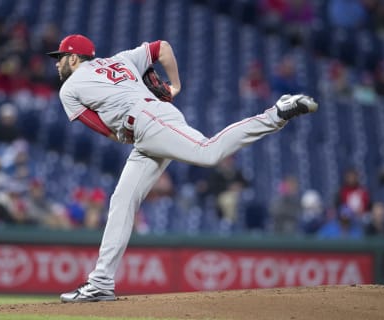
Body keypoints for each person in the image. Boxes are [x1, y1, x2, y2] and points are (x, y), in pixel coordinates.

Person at [46, 34, 318, 302]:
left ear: (73, 58)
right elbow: (162, 47)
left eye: (60, 59)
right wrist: (174, 86)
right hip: (149, 126)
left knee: (208, 152)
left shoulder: (69, 89)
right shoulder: (121, 60)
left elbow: (102, 129)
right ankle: (101, 283)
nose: (57, 64)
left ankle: (275, 114)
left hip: (147, 122)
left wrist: (124, 131)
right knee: (122, 201)